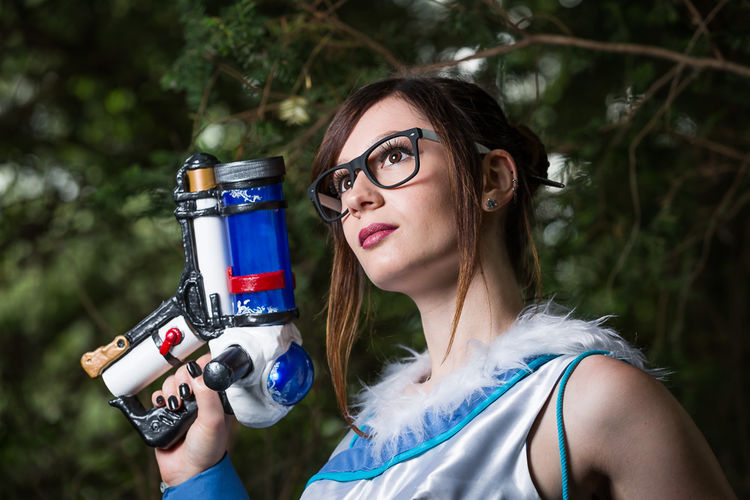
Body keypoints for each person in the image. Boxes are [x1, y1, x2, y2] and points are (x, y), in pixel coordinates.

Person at [152, 76, 735, 498]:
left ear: (493, 178)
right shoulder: (353, 457)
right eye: (343, 181)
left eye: (393, 156)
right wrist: (197, 475)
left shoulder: (589, 399)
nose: (357, 196)